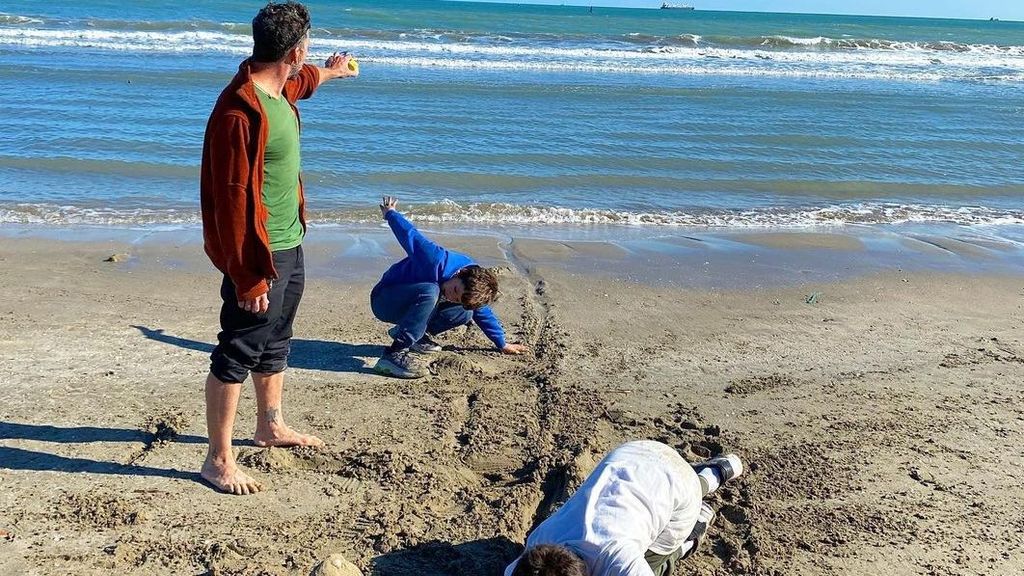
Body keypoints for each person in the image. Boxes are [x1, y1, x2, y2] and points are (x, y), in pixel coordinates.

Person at [198, 1, 358, 495]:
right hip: (258, 254)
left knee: (277, 340)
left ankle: (269, 425)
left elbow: (300, 82)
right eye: (306, 52)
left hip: (290, 241)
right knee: (238, 350)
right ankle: (217, 459)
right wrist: (248, 276)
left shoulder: (280, 84)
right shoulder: (238, 112)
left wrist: (330, 73)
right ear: (295, 48)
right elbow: (229, 205)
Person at [504, 441, 744, 576]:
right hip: (634, 454)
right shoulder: (538, 542)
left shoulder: (619, 558)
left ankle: (692, 534)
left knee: (653, 565)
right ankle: (714, 473)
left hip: (679, 496)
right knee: (673, 490)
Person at [371, 196, 529, 378]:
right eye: (455, 291)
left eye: (457, 298)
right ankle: (394, 354)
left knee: (466, 312)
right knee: (432, 291)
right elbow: (410, 235)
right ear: (460, 273)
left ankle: (412, 334)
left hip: (413, 307)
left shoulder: (471, 285)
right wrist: (391, 214)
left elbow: (483, 312)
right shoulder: (436, 259)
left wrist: (502, 343)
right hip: (385, 299)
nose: (452, 297)